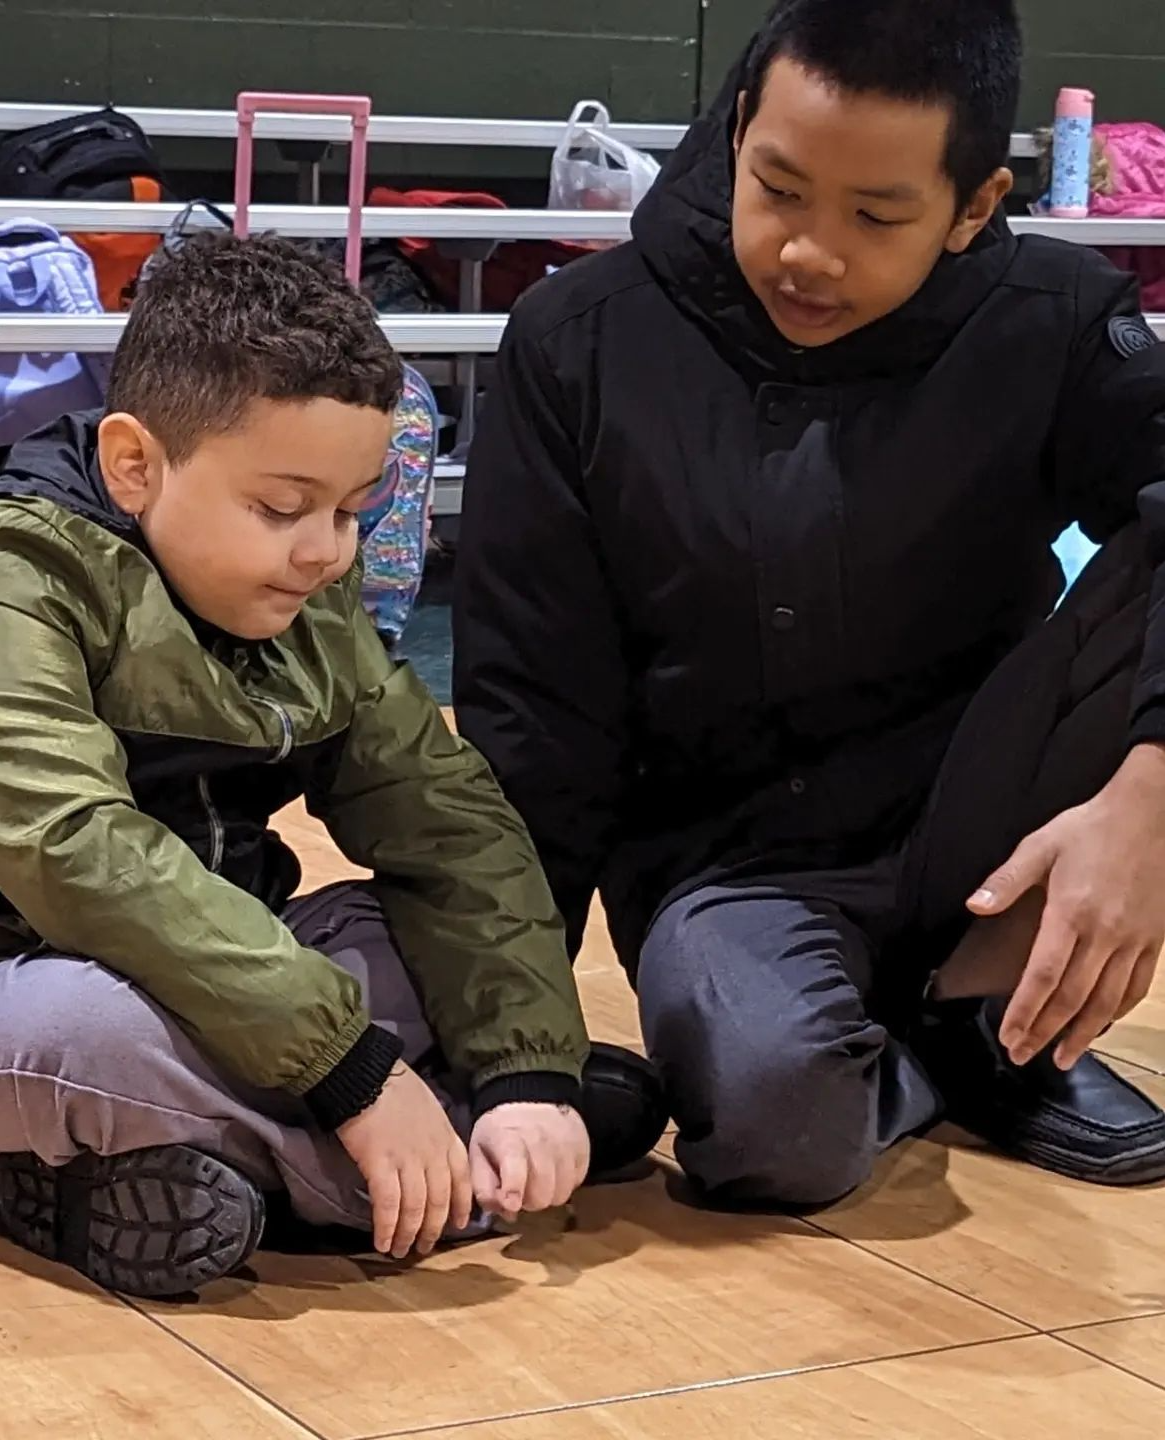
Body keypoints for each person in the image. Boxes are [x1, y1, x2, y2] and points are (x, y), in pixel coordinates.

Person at [454, 0, 1165, 1211]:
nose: (808, 253)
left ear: (975, 205)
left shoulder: (1052, 319)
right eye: (777, 188)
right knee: (775, 1124)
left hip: (982, 809)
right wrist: (508, 1049)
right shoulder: (578, 341)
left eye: (877, 216)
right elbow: (534, 715)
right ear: (736, 131)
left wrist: (1151, 791)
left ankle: (991, 1009)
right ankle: (943, 1053)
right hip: (731, 866)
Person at [0, 232, 665, 1298]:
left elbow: (448, 826)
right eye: (282, 507)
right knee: (72, 1027)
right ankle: (408, 1176)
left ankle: (148, 1167)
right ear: (134, 466)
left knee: (402, 937)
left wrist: (529, 1064)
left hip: (226, 979)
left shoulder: (306, 591)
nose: (327, 552)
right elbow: (73, 849)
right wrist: (354, 1077)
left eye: (354, 511)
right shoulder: (18, 581)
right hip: (43, 983)